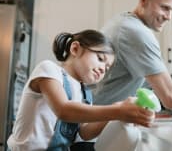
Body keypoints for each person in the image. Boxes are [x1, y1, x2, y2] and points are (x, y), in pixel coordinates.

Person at [7, 30, 154, 150]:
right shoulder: (49, 70)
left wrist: (115, 111)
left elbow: (84, 132)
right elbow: (63, 110)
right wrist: (118, 110)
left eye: (107, 68)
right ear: (75, 49)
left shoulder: (85, 94)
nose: (103, 68)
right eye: (100, 58)